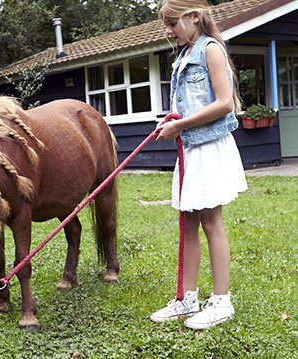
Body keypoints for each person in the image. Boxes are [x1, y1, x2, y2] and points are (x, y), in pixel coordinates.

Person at [149, 0, 248, 329]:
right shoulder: (183, 55)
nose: (169, 30)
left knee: (211, 222)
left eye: (173, 23)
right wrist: (174, 123)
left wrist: (181, 125)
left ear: (195, 17)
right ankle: (187, 299)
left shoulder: (211, 50)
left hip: (207, 146)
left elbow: (224, 103)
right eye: (166, 24)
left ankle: (221, 302)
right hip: (190, 148)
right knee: (188, 224)